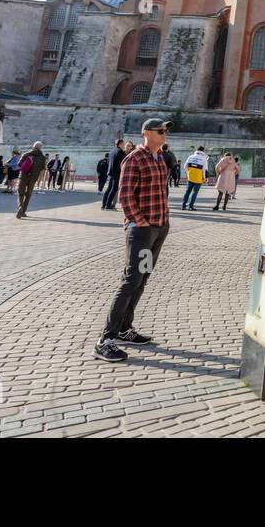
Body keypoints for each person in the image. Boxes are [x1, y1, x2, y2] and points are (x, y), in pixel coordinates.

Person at [94, 118, 172, 364]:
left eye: (165, 131)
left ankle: (126, 328)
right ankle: (105, 340)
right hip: (142, 231)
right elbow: (125, 195)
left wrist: (162, 222)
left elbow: (162, 192)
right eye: (161, 131)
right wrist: (141, 221)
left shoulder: (159, 159)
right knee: (130, 281)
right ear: (147, 133)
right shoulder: (134, 158)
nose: (165, 134)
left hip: (158, 228)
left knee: (142, 279)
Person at [15, 142, 47, 219]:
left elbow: (19, 165)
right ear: (40, 148)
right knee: (28, 195)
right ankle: (23, 211)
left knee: (20, 193)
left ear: (33, 146)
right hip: (33, 178)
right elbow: (43, 169)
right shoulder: (42, 157)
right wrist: (41, 180)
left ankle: (20, 208)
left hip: (23, 176)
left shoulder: (26, 154)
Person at [102, 138, 126, 211]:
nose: (124, 144)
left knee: (109, 188)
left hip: (111, 172)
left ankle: (104, 204)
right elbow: (122, 163)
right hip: (117, 173)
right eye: (123, 143)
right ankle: (108, 205)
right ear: (120, 144)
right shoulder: (120, 151)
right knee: (114, 189)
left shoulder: (112, 151)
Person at [182, 146, 208, 210]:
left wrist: (188, 173)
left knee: (187, 192)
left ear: (197, 150)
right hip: (198, 178)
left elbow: (185, 166)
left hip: (190, 177)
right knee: (195, 192)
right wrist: (205, 178)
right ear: (203, 151)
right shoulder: (204, 158)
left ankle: (183, 205)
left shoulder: (191, 157)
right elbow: (205, 170)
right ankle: (191, 206)